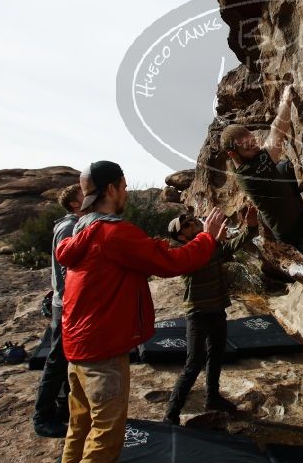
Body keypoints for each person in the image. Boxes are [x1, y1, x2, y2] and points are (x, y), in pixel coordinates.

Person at [55, 160, 227, 463]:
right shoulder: (112, 233)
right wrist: (207, 237)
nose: (126, 193)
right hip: (103, 350)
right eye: (123, 187)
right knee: (107, 436)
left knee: (80, 427)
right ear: (111, 188)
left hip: (77, 347)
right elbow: (171, 263)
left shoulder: (80, 230)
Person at [220, 85, 303, 307]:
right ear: (232, 154)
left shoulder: (255, 161)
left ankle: (301, 206)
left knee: (283, 166)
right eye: (248, 147)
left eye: (254, 142)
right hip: (289, 227)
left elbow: (276, 135)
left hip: (288, 206)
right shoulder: (249, 174)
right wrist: (286, 102)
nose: (254, 148)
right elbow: (278, 131)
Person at [162, 206, 259, 425]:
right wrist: (212, 239)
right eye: (186, 224)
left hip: (217, 309)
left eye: (191, 220)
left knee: (215, 356)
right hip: (197, 313)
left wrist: (250, 227)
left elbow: (234, 245)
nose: (192, 223)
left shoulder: (210, 246)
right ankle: (171, 414)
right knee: (194, 363)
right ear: (181, 236)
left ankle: (212, 398)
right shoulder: (184, 253)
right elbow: (197, 265)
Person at [33, 183, 85, 438]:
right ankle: (42, 417)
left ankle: (64, 408)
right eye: (84, 195)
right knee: (57, 360)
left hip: (63, 302)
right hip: (66, 303)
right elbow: (68, 267)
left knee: (65, 357)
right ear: (75, 203)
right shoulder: (69, 227)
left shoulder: (71, 224)